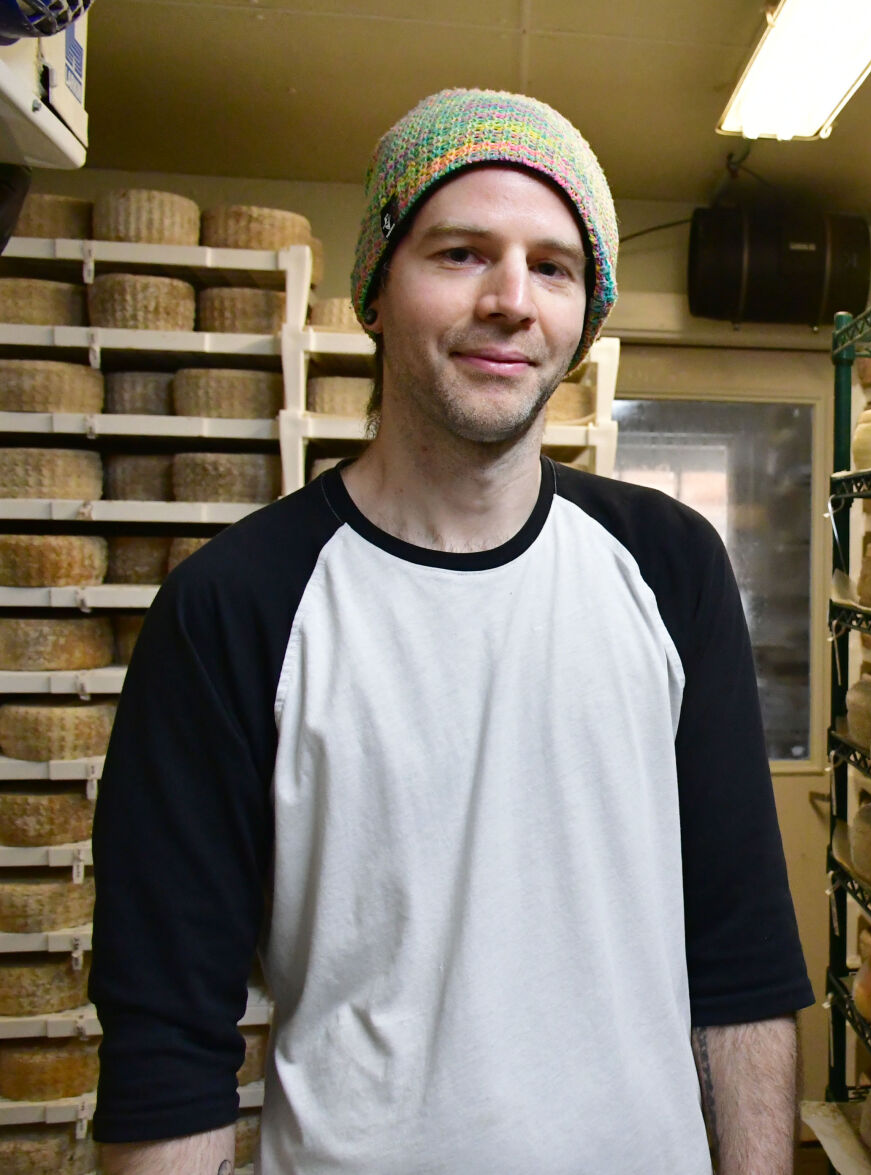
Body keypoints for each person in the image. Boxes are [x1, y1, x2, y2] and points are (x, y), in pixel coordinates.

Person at [89, 89, 812, 1174]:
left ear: (584, 316)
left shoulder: (669, 569)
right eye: (462, 252)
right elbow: (167, 1037)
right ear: (376, 291)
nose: (511, 300)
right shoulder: (235, 606)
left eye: (552, 266)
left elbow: (740, 957)